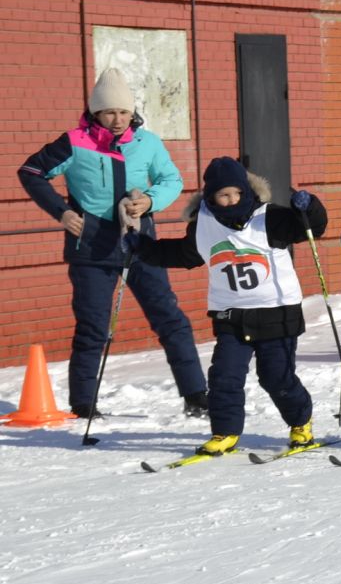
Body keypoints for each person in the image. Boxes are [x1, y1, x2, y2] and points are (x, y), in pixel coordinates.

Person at [17, 67, 208, 419]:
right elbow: (31, 172)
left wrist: (149, 201)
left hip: (141, 241)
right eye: (109, 112)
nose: (117, 119)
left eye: (123, 111)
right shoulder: (75, 142)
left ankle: (196, 394)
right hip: (90, 247)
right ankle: (84, 404)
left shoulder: (147, 142)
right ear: (96, 113)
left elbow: (171, 179)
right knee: (92, 326)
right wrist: (60, 212)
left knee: (170, 319)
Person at [134, 157, 327, 456]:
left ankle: (301, 423)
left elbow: (312, 227)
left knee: (277, 377)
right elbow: (183, 255)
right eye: (224, 195)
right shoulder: (203, 226)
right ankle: (224, 432)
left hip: (276, 312)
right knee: (224, 376)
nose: (232, 200)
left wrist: (309, 206)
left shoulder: (269, 217)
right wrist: (139, 248)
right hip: (231, 315)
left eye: (237, 193)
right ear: (211, 197)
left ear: (246, 190)